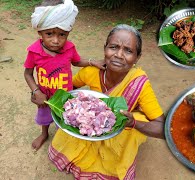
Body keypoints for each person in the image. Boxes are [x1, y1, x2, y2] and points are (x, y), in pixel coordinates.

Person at [48, 24, 165, 180]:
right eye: (114, 47)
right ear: (105, 49)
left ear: (137, 57)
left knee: (138, 123)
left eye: (128, 51)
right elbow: (68, 91)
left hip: (121, 127)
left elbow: (164, 128)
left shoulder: (139, 83)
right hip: (92, 123)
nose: (119, 55)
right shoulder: (91, 71)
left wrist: (134, 123)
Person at [24, 0, 105, 150]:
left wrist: (93, 62)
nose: (56, 40)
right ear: (40, 32)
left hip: (65, 96)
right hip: (45, 97)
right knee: (45, 117)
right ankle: (44, 134)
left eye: (62, 34)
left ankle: (64, 136)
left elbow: (77, 62)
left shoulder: (69, 48)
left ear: (68, 32)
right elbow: (28, 73)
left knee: (67, 118)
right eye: (49, 34)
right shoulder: (34, 51)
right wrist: (36, 91)